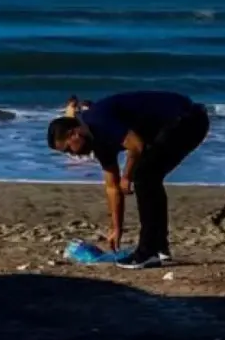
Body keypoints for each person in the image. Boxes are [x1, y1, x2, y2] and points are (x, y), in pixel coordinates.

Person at [47, 90, 210, 269]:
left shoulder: (98, 120)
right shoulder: (97, 143)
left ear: (74, 134)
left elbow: (136, 146)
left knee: (144, 177)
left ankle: (148, 252)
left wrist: (127, 176)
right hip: (172, 125)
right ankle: (158, 247)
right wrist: (116, 228)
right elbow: (112, 188)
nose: (73, 155)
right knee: (149, 178)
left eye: (69, 149)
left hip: (188, 120)